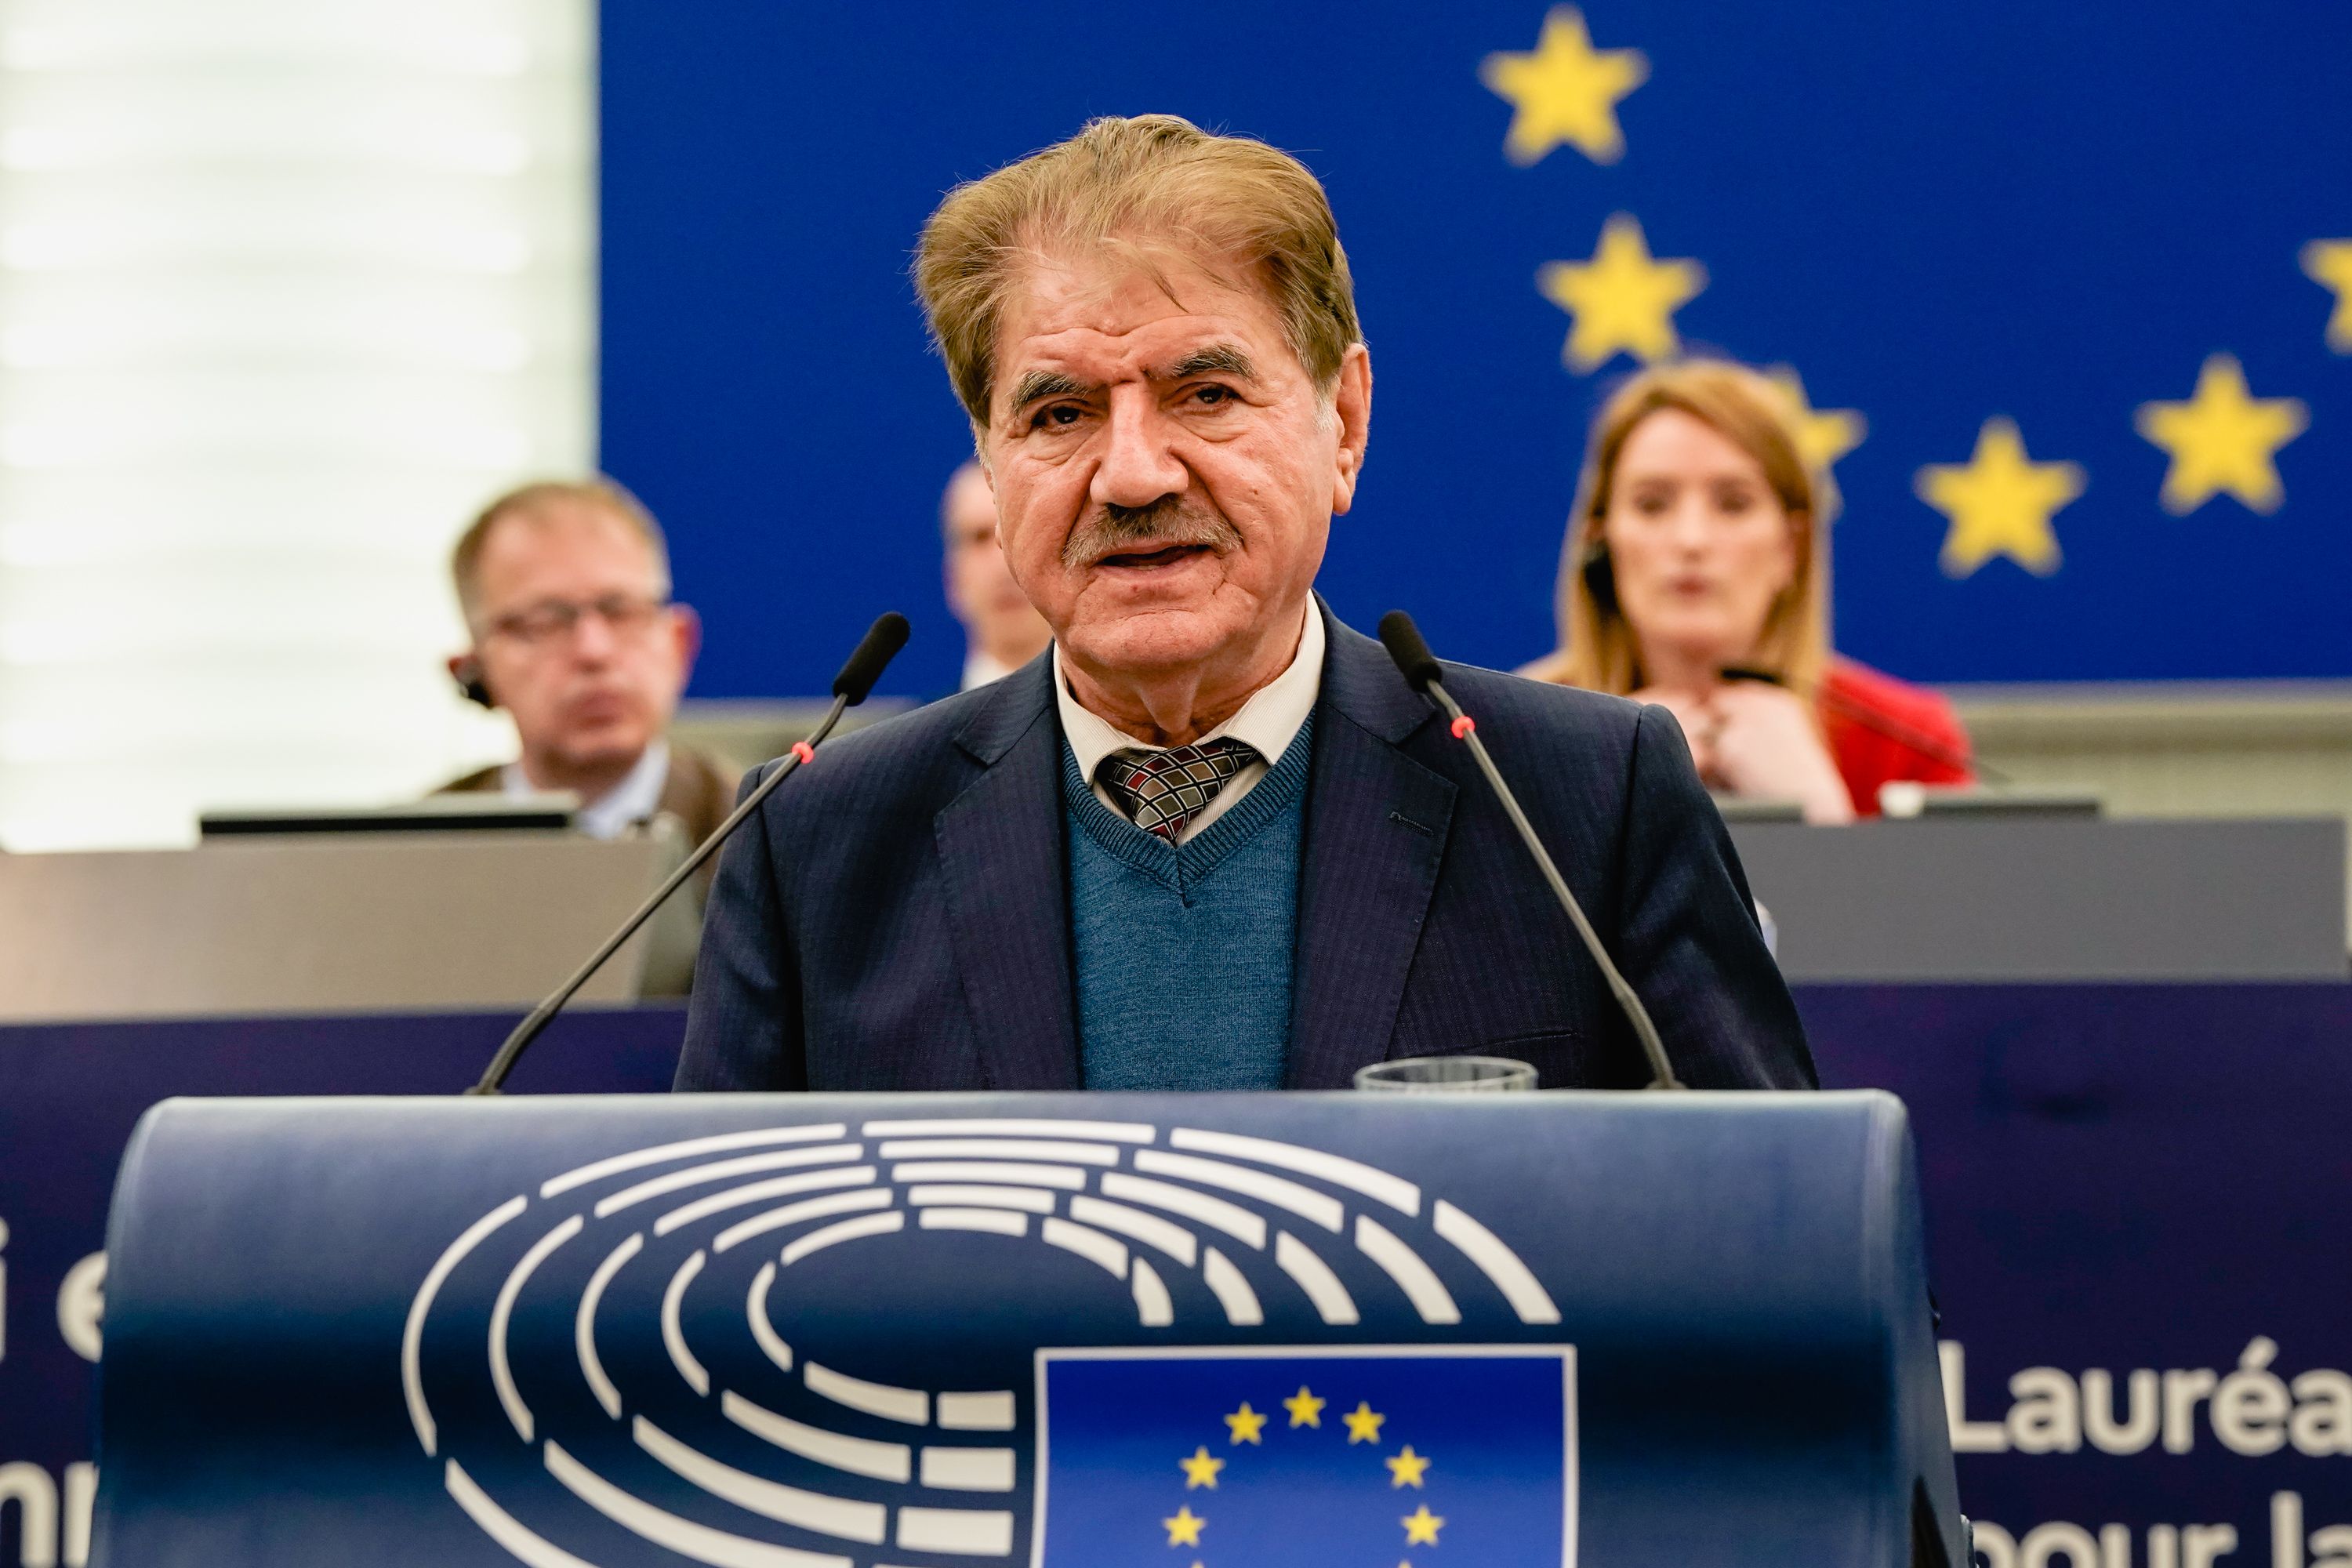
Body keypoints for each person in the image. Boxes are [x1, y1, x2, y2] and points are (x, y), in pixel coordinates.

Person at [675, 114, 1813, 1094]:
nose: (1133, 475)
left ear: (1346, 424)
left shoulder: (1580, 805)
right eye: (1060, 413)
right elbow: (696, 1298)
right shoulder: (812, 847)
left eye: (1206, 393)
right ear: (989, 451)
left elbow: (1794, 1261)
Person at [1523, 361, 1973, 820]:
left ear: (1790, 549)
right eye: (1652, 504)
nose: (1691, 539)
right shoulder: (1511, 735)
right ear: (1600, 544)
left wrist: (1822, 818)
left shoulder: (1905, 742)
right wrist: (1597, 790)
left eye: (1734, 504)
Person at [438, 480, 738, 846]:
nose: (594, 651)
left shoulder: (770, 837)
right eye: (545, 621)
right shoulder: (404, 860)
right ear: (472, 670)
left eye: (621, 611)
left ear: (678, 644)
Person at [942, 459, 1053, 689]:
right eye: (979, 537)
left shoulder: (1120, 725)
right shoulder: (920, 726)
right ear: (952, 576)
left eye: (1020, 531)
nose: (1002, 565)